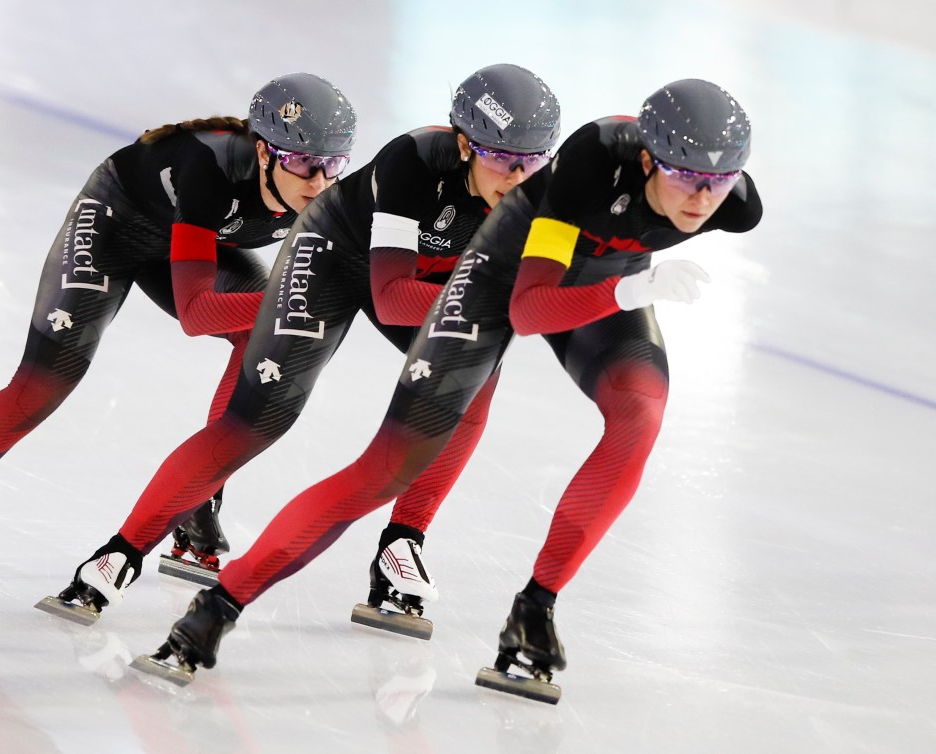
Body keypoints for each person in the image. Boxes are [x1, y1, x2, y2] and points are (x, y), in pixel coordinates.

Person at [134, 79, 763, 703]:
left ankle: (533, 610)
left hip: (607, 280)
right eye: (686, 176)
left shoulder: (737, 204)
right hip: (511, 278)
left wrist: (627, 284)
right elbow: (531, 308)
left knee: (639, 418)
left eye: (721, 178)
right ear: (648, 160)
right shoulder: (587, 169)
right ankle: (219, 604)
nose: (704, 197)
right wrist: (632, 291)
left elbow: (682, 218)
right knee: (385, 469)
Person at [42, 63, 563, 621]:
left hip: (422, 279)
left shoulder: (549, 192)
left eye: (533, 160)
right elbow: (390, 296)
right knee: (261, 419)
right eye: (502, 158)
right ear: (464, 145)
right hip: (337, 259)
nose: (518, 175)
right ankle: (120, 553)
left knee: (477, 375)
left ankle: (402, 545)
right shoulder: (410, 161)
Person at [0, 73, 357, 578]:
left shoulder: (332, 195)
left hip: (192, 241)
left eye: (334, 164)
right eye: (305, 163)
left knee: (262, 337)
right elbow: (197, 313)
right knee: (42, 384)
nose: (320, 182)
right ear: (265, 151)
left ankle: (200, 495)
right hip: (117, 225)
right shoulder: (210, 165)